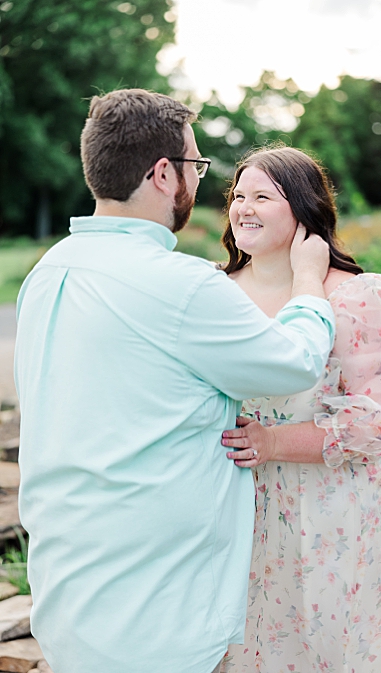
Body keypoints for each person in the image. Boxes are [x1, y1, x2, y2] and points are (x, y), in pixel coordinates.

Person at [14, 90, 337, 673]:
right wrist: (310, 281)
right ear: (164, 174)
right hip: (155, 601)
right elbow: (293, 361)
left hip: (68, 581)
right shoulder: (183, 285)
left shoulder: (47, 271)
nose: (201, 182)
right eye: (195, 166)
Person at [217, 146, 381, 672]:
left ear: (304, 209)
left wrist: (273, 441)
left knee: (326, 639)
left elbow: (375, 423)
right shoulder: (215, 292)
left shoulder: (357, 297)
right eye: (238, 195)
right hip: (234, 498)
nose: (243, 207)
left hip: (331, 504)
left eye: (263, 196)